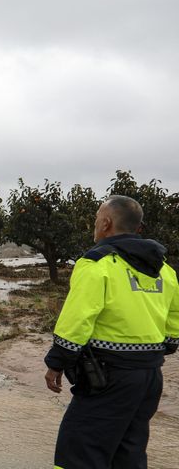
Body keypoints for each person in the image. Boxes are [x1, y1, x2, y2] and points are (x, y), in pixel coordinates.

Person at [44, 195, 179, 468]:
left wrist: (56, 363)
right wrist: (158, 348)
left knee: (78, 452)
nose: (95, 224)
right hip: (150, 377)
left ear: (106, 223)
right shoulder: (165, 270)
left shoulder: (97, 263)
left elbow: (78, 318)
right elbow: (174, 319)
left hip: (107, 376)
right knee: (128, 452)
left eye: (96, 219)